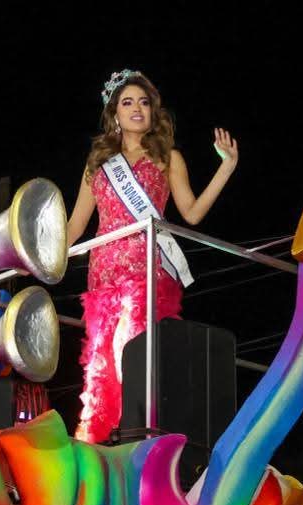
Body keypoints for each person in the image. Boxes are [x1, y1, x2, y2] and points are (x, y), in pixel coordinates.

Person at [65, 69, 239, 443]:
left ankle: (138, 434)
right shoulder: (97, 164)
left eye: (143, 102)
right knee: (101, 364)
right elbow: (75, 226)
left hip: (146, 273)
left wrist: (226, 168)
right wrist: (38, 255)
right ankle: (98, 441)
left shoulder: (167, 158)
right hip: (102, 276)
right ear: (114, 113)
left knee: (131, 351)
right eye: (127, 102)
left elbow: (192, 213)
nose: (137, 109)